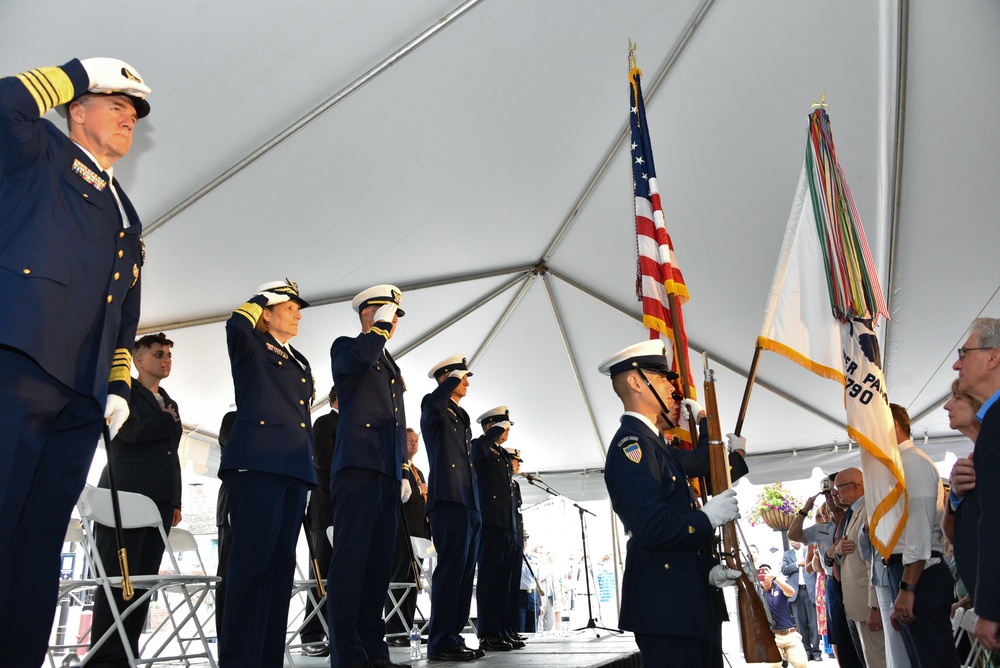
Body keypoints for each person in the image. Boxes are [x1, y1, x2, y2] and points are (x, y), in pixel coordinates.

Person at [0, 57, 150, 666]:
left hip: (81, 396)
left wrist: (117, 383)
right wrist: (76, 69)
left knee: (38, 548)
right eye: (114, 103)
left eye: (134, 112)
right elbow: (5, 103)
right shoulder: (39, 153)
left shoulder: (128, 214)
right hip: (21, 363)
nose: (128, 118)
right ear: (75, 111)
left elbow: (124, 313)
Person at [598, 340, 741, 666]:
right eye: (662, 378)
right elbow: (651, 529)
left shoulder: (653, 443)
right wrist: (705, 518)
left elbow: (703, 465)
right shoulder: (632, 445)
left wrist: (706, 571)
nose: (672, 388)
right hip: (666, 605)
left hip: (682, 597)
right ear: (636, 382)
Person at [219, 279, 316, 667]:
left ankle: (267, 659)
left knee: (278, 574)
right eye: (288, 305)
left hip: (293, 468)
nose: (297, 313)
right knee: (250, 569)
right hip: (258, 465)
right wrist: (261, 298)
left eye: (297, 307)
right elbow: (235, 325)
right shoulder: (250, 345)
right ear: (267, 312)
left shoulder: (299, 359)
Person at [86, 332, 183, 666]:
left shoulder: (170, 400)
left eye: (169, 355)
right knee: (117, 582)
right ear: (138, 360)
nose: (166, 360)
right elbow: (131, 431)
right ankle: (104, 659)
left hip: (160, 504)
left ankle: (127, 655)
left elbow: (173, 455)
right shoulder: (124, 391)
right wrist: (166, 420)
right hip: (123, 498)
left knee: (142, 585)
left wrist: (176, 500)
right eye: (158, 354)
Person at [327, 284, 409, 668]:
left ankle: (374, 653)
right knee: (351, 565)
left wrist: (403, 467)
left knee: (377, 568)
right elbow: (359, 359)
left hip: (387, 470)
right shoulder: (347, 346)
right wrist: (377, 330)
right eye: (387, 315)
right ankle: (347, 656)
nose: (392, 324)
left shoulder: (389, 362)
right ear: (367, 314)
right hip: (358, 466)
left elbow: (396, 418)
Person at [876, 404, 959, 667]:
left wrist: (907, 588)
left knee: (934, 660)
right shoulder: (901, 465)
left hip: (920, 574)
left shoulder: (913, 463)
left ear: (894, 426)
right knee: (922, 659)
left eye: (875, 425)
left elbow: (920, 531)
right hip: (907, 571)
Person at [422, 355, 481, 662]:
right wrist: (451, 381)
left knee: (464, 573)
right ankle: (440, 640)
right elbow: (433, 405)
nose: (467, 383)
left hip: (468, 501)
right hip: (448, 500)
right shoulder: (434, 407)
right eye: (462, 378)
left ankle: (454, 635)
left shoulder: (460, 414)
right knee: (450, 571)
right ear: (448, 379)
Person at [472, 406, 519, 651]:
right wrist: (491, 434)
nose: (508, 432)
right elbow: (476, 452)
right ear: (492, 426)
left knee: (504, 580)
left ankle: (501, 629)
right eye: (504, 427)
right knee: (490, 579)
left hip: (506, 524)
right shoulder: (481, 446)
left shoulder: (500, 454)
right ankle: (488, 633)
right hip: (490, 522)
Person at [831, 468, 886, 667]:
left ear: (856, 486)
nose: (834, 493)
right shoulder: (852, 512)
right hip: (856, 604)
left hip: (868, 604)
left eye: (838, 487)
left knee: (878, 660)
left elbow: (874, 561)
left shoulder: (868, 510)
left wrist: (875, 606)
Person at [300, 387, 339, 657]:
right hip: (326, 509)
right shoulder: (326, 422)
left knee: (341, 576)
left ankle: (335, 630)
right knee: (321, 575)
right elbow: (322, 459)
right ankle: (311, 634)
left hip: (346, 510)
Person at [385, 428, 430, 646]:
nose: (413, 444)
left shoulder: (418, 471)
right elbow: (399, 497)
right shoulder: (396, 466)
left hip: (418, 534)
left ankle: (408, 626)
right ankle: (394, 630)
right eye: (409, 441)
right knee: (398, 581)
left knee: (414, 583)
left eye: (415, 441)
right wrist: (420, 491)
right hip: (400, 533)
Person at [757, 564, 810, 668]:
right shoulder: (756, 591)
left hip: (789, 633)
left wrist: (775, 578)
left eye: (766, 572)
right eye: (760, 573)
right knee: (774, 665)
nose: (764, 576)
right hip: (772, 636)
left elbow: (792, 593)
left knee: (802, 664)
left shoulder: (779, 586)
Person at [503, 448, 528, 647]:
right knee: (505, 586)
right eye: (515, 460)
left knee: (513, 586)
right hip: (505, 535)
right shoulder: (502, 482)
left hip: (516, 537)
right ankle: (503, 628)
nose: (518, 464)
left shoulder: (515, 485)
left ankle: (511, 629)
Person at [782, 540, 822, 661]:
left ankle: (816, 651)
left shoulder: (808, 551)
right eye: (792, 541)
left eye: (796, 540)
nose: (795, 542)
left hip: (809, 590)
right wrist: (797, 564)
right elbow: (784, 570)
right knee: (800, 623)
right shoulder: (787, 554)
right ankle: (806, 651)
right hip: (796, 592)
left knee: (813, 622)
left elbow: (816, 567)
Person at [215, 410, 236, 632]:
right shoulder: (232, 418)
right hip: (234, 498)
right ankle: (225, 640)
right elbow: (238, 448)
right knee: (229, 576)